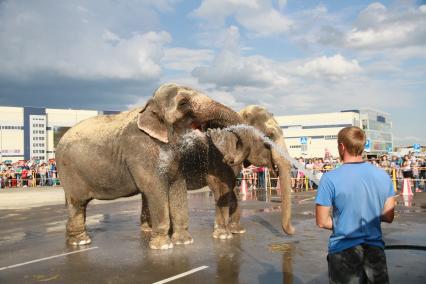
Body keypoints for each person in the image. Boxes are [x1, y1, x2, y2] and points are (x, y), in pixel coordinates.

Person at [315, 126, 395, 283]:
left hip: (343, 251)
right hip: (375, 250)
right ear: (363, 146)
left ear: (342, 146)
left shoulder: (329, 178)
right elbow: (388, 215)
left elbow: (322, 221)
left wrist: (345, 222)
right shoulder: (383, 176)